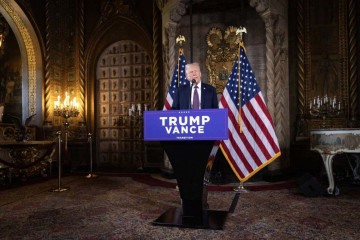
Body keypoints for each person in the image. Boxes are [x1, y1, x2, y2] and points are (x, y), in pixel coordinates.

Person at [169, 63, 218, 225]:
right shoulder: (180, 90)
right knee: (187, 170)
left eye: (195, 71)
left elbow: (215, 113)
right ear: (186, 76)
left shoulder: (209, 90)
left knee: (201, 171)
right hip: (184, 139)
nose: (193, 74)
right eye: (190, 72)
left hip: (204, 139)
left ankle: (202, 202)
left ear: (200, 73)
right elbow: (174, 112)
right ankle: (187, 202)